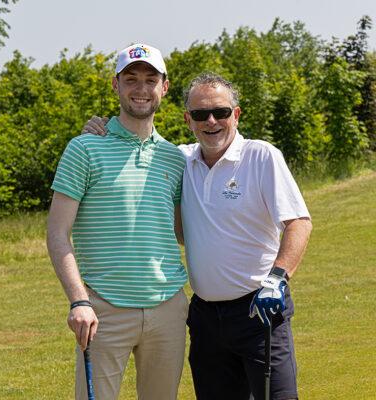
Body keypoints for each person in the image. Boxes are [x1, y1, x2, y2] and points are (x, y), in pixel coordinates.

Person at [83, 73, 312, 400]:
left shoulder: (261, 156)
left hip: (258, 310)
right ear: (188, 120)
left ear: (236, 115)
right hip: (205, 320)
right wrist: (100, 132)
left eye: (220, 112)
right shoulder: (179, 160)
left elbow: (299, 223)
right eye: (201, 114)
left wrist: (278, 278)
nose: (212, 121)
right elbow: (133, 149)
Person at [46, 43, 189, 400]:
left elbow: (182, 233)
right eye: (131, 79)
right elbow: (57, 234)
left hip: (168, 307)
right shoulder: (84, 148)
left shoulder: (175, 158)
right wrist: (79, 301)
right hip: (102, 309)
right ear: (116, 85)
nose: (141, 88)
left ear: (164, 87)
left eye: (150, 80)